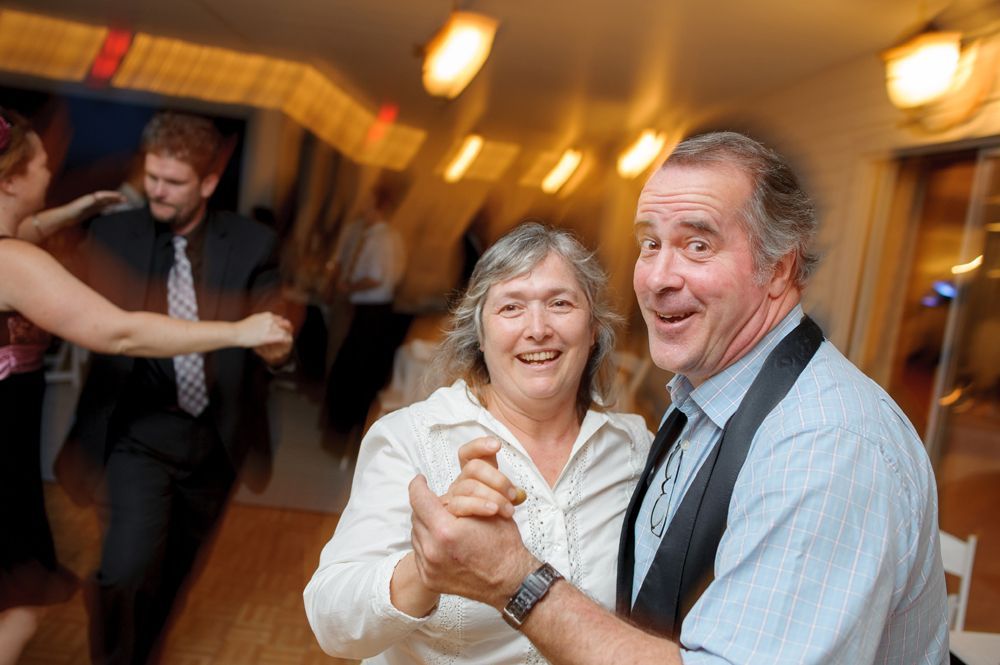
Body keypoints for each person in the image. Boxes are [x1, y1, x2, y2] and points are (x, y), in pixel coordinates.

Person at [407, 132, 949, 664]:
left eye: (698, 244)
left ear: (779, 269)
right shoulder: (705, 396)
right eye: (650, 244)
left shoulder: (822, 446)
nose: (658, 278)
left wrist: (515, 581)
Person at [0, 109, 291, 665]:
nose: (154, 190)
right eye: (150, 176)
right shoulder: (112, 233)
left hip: (216, 440)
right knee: (124, 572)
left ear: (207, 183)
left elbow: (275, 319)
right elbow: (118, 331)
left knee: (171, 576)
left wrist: (277, 343)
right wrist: (235, 330)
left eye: (172, 182)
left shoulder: (252, 243)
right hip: (135, 433)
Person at [304, 222, 654, 663]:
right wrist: (426, 568)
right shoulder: (413, 440)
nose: (538, 328)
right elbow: (331, 624)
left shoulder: (635, 449)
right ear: (480, 337)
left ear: (594, 329)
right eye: (511, 308)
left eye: (560, 303)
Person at [321, 184, 409, 458]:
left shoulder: (383, 239)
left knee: (354, 377)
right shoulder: (378, 235)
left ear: (380, 208)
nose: (363, 209)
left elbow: (378, 277)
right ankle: (342, 437)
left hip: (373, 315)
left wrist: (348, 287)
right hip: (370, 313)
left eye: (368, 204)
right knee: (352, 375)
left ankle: (343, 439)